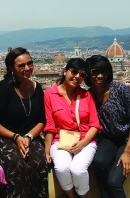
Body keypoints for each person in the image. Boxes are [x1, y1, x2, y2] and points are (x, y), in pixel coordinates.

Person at [84, 55, 130, 198]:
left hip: (129, 140)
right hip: (108, 139)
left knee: (114, 181)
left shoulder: (120, 90)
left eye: (103, 72)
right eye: (94, 72)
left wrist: (128, 152)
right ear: (88, 74)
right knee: (99, 164)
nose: (99, 76)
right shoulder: (89, 94)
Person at [44, 58, 101, 198]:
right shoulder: (49, 94)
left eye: (82, 75)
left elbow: (95, 124)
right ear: (65, 71)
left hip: (86, 140)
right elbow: (50, 125)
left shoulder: (86, 95)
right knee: (62, 168)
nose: (77, 77)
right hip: (60, 139)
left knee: (78, 169)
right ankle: (71, 196)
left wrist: (83, 143)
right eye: (74, 72)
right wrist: (46, 152)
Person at [0, 47, 48, 198]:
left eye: (29, 63)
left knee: (38, 163)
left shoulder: (37, 88)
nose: (27, 68)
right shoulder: (4, 88)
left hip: (30, 137)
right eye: (21, 65)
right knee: (14, 163)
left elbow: (42, 121)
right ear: (11, 68)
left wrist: (29, 137)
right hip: (4, 138)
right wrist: (16, 137)